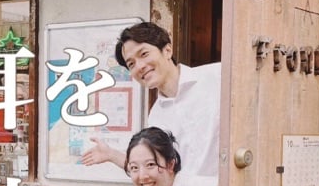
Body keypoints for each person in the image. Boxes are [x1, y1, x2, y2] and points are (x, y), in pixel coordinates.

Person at [81, 21, 220, 177]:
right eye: (131, 64)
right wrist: (111, 154)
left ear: (167, 50)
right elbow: (154, 169)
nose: (139, 66)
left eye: (144, 54)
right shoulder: (156, 117)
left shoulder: (217, 76)